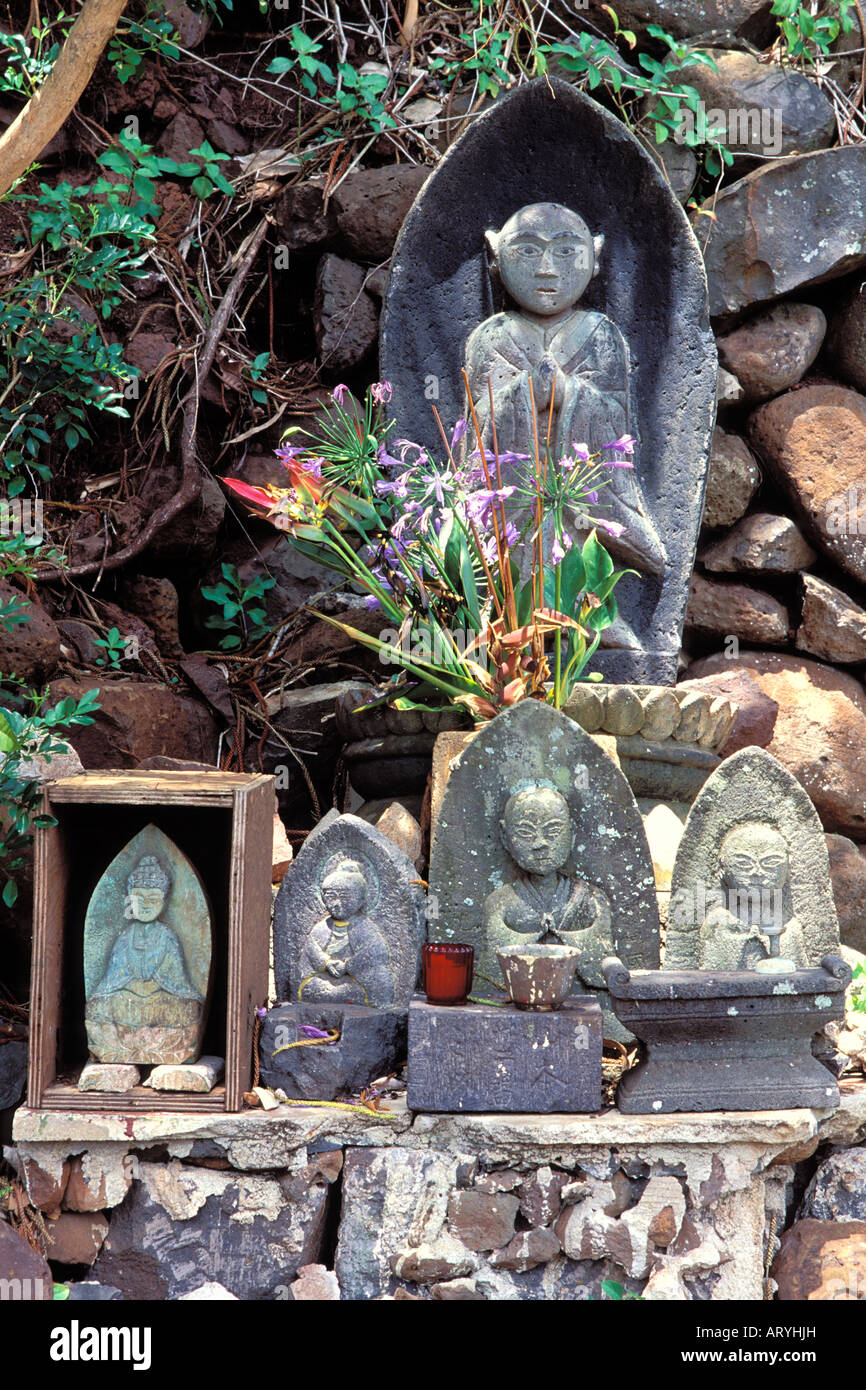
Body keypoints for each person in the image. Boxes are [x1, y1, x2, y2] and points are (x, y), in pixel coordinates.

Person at [464, 202, 667, 583]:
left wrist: (568, 393)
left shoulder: (601, 333)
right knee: (511, 542)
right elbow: (479, 427)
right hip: (515, 489)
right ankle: (511, 606)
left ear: (594, 259)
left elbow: (615, 421)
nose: (546, 269)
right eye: (526, 250)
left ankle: (585, 606)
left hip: (575, 484)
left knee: (572, 529)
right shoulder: (490, 336)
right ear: (495, 257)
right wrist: (525, 393)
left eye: (566, 251)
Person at [483, 785, 613, 989]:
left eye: (553, 831)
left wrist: (559, 936)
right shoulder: (500, 902)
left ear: (572, 833)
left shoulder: (592, 898)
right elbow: (493, 968)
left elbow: (602, 961)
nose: (540, 843)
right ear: (504, 837)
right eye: (526, 833)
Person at [87, 854, 203, 1029]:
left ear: (164, 902)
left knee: (188, 1009)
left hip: (159, 999)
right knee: (96, 1008)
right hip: (129, 999)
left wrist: (153, 988)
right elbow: (112, 979)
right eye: (139, 899)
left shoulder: (167, 936)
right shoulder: (126, 936)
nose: (146, 905)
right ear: (129, 900)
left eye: (153, 900)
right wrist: (134, 988)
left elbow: (177, 981)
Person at [698, 822, 807, 971]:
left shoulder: (790, 929)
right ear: (722, 865)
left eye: (770, 863)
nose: (757, 872)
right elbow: (708, 980)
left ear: (788, 866)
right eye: (744, 863)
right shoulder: (719, 924)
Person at [298, 860, 394, 1006]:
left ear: (361, 900)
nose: (336, 903)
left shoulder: (365, 927)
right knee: (311, 988)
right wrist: (327, 963)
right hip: (326, 981)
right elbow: (311, 951)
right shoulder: (322, 927)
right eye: (331, 897)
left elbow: (375, 953)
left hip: (356, 983)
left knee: (361, 989)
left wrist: (348, 966)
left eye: (344, 897)